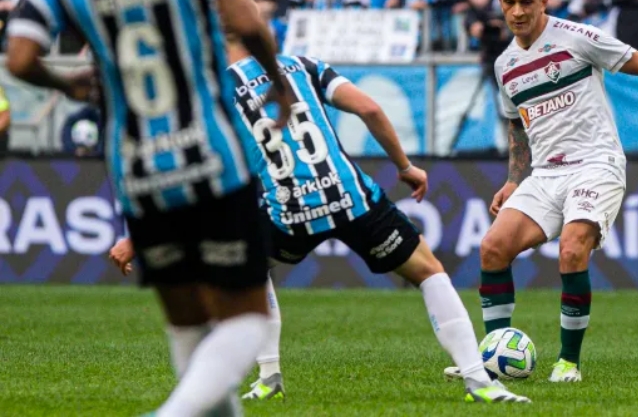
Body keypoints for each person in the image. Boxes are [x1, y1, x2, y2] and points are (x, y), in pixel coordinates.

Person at [6, 0, 287, 416]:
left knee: (187, 324)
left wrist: (72, 79)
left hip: (135, 167)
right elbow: (250, 21)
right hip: (213, 154)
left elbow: (22, 58)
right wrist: (280, 85)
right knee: (246, 318)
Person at [110, 40, 531, 405]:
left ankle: (269, 375)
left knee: (253, 269)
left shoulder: (216, 95)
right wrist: (404, 166)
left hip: (289, 210)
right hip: (351, 196)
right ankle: (478, 380)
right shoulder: (301, 66)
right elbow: (368, 107)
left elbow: (199, 173)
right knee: (428, 271)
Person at [444, 0, 638, 383]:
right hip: (545, 174)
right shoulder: (504, 65)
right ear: (499, 3)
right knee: (493, 248)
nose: (517, 12)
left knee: (572, 249)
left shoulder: (577, 38)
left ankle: (568, 363)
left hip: (597, 163)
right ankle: (495, 357)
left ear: (545, 1)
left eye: (526, 2)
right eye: (509, 3)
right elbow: (517, 126)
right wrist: (514, 179)